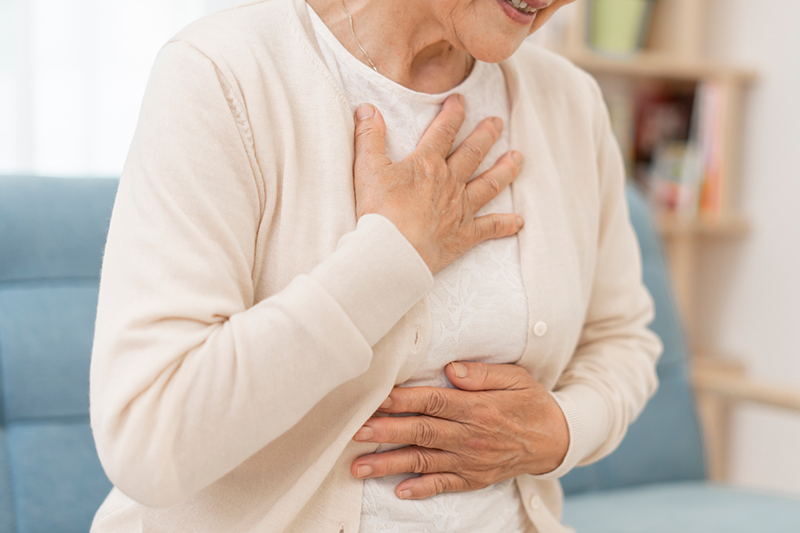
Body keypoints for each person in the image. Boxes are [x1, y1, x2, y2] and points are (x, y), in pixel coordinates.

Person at [88, 0, 663, 531]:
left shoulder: (571, 102)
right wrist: (392, 254)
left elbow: (621, 339)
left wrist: (561, 429)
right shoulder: (222, 74)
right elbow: (150, 439)